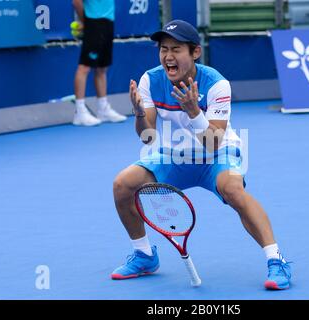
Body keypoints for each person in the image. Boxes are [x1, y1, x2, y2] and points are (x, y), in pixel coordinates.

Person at [111, 20, 292, 290]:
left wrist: (194, 111)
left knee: (233, 190)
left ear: (195, 52)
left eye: (176, 49)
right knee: (122, 185)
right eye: (163, 49)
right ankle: (145, 255)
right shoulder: (151, 79)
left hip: (216, 153)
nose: (168, 56)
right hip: (174, 155)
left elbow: (212, 143)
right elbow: (147, 136)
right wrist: (138, 114)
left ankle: (276, 260)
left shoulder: (217, 84)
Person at [72, 0, 127, 126]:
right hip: (93, 21)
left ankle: (103, 109)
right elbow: (76, 2)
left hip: (108, 21)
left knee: (102, 68)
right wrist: (84, 21)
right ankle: (79, 112)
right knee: (84, 67)